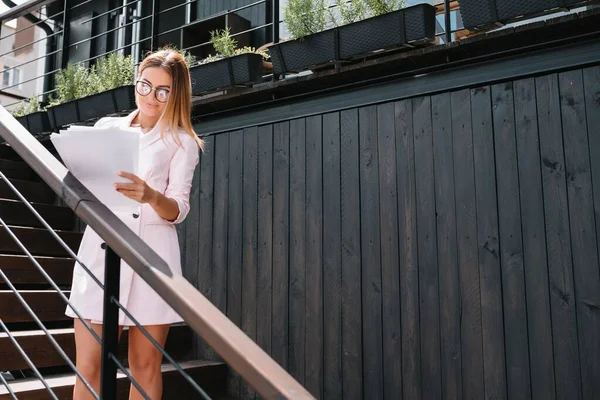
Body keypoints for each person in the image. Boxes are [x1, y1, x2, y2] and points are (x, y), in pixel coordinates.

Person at [65, 48, 204, 400]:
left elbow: (178, 209)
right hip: (102, 250)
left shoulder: (182, 141)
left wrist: (150, 195)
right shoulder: (105, 129)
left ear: (176, 95)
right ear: (136, 83)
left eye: (163, 90)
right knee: (89, 366)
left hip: (152, 257)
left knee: (144, 367)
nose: (151, 97)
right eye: (145, 85)